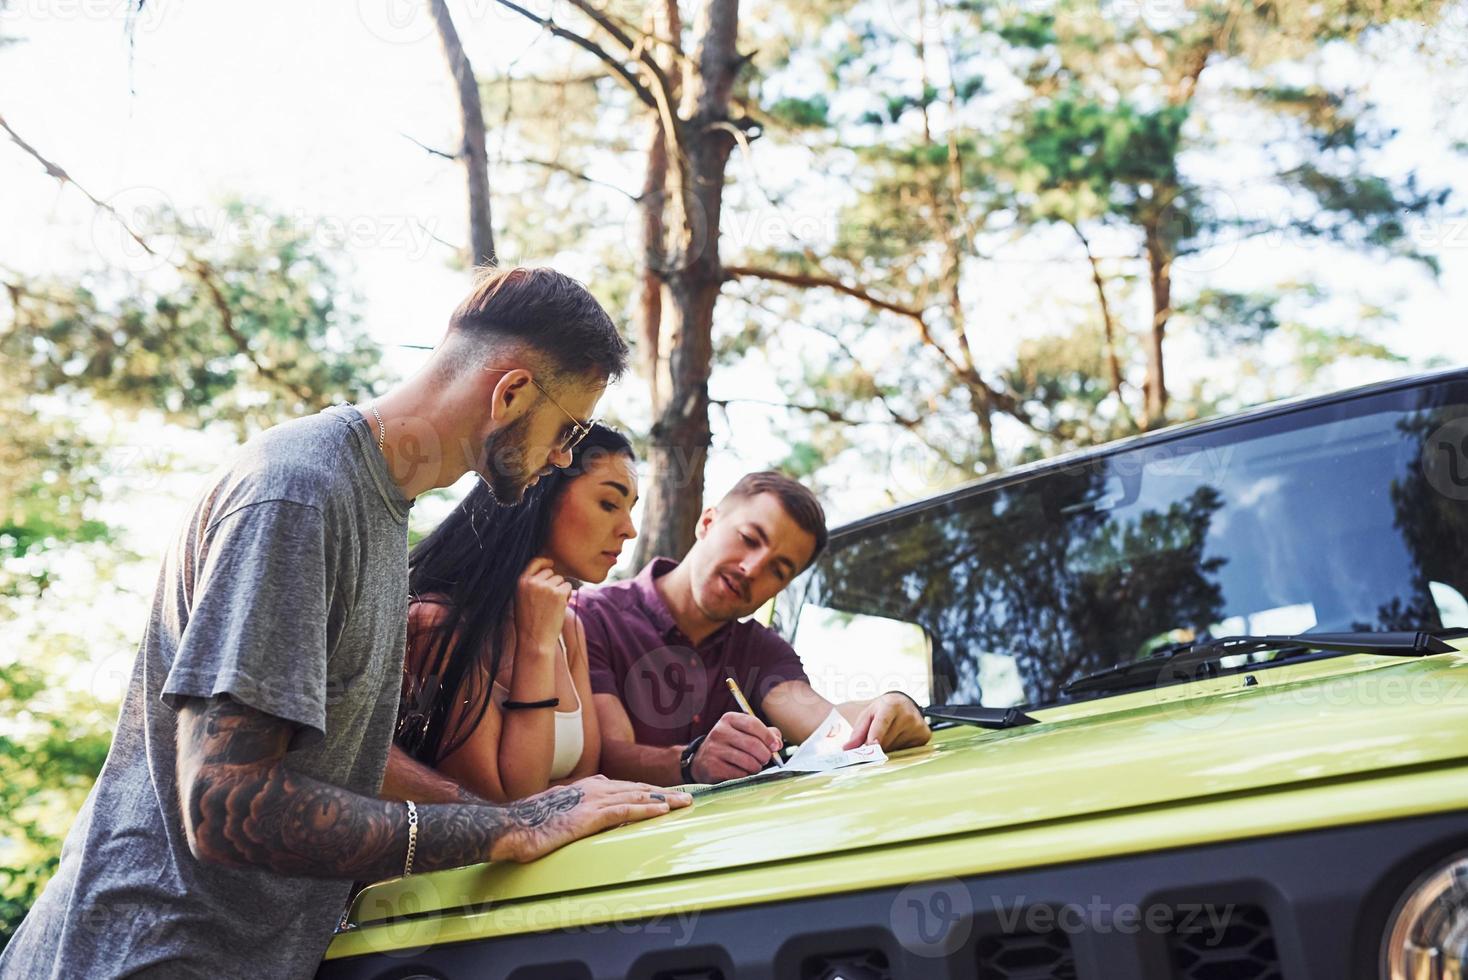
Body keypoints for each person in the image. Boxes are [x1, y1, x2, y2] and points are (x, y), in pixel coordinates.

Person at [0, 267, 689, 980]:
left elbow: (342, 765)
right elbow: (225, 803)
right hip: (148, 957)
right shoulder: (299, 494)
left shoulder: (380, 511)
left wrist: (528, 809)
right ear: (510, 392)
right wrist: (507, 827)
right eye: (568, 428)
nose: (564, 455)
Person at [579, 470, 931, 787]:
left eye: (778, 570)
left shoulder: (763, 652)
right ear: (707, 522)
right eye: (749, 538)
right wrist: (691, 761)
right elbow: (608, 758)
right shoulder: (592, 616)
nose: (752, 568)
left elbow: (824, 724)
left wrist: (890, 708)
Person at [398, 424, 639, 802]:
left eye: (630, 509)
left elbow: (587, 779)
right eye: (609, 504)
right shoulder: (435, 626)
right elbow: (504, 802)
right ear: (539, 494)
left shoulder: (569, 626)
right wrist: (535, 646)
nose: (630, 530)